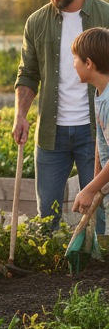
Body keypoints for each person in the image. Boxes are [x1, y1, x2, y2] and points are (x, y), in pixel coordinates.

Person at [15, 0, 109, 227]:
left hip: (94, 132)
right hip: (50, 133)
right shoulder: (36, 22)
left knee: (98, 210)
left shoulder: (105, 16)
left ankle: (99, 268)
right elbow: (28, 73)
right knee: (48, 215)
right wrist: (21, 115)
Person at [71, 28, 109, 215]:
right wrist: (95, 185)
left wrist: (90, 189)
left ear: (88, 63)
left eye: (75, 58)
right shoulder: (100, 92)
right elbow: (101, 144)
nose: (73, 63)